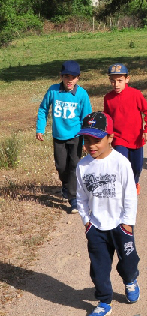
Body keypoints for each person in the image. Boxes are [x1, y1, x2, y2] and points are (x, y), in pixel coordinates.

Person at [76, 112, 140, 316]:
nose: (91, 145)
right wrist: (87, 222)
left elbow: (130, 194)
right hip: (96, 227)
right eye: (87, 140)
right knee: (99, 268)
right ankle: (104, 301)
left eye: (97, 140)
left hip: (120, 226)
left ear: (110, 138)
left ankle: (130, 280)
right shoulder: (83, 166)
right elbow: (81, 197)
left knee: (128, 261)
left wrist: (127, 223)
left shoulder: (121, 163)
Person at [36, 60, 92, 214]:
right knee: (61, 167)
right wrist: (40, 128)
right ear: (61, 77)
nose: (70, 80)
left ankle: (73, 199)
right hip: (58, 136)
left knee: (74, 165)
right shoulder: (54, 91)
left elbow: (87, 117)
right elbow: (43, 109)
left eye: (73, 77)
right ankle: (66, 185)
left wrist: (87, 138)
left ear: (78, 78)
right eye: (66, 76)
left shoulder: (81, 94)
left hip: (76, 136)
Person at [103, 63, 147, 195]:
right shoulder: (108, 98)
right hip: (119, 138)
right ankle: (125, 190)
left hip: (136, 138)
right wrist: (107, 135)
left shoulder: (135, 94)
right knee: (123, 165)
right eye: (113, 81)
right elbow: (107, 118)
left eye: (120, 80)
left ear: (127, 79)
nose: (116, 84)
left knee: (137, 167)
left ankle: (134, 182)